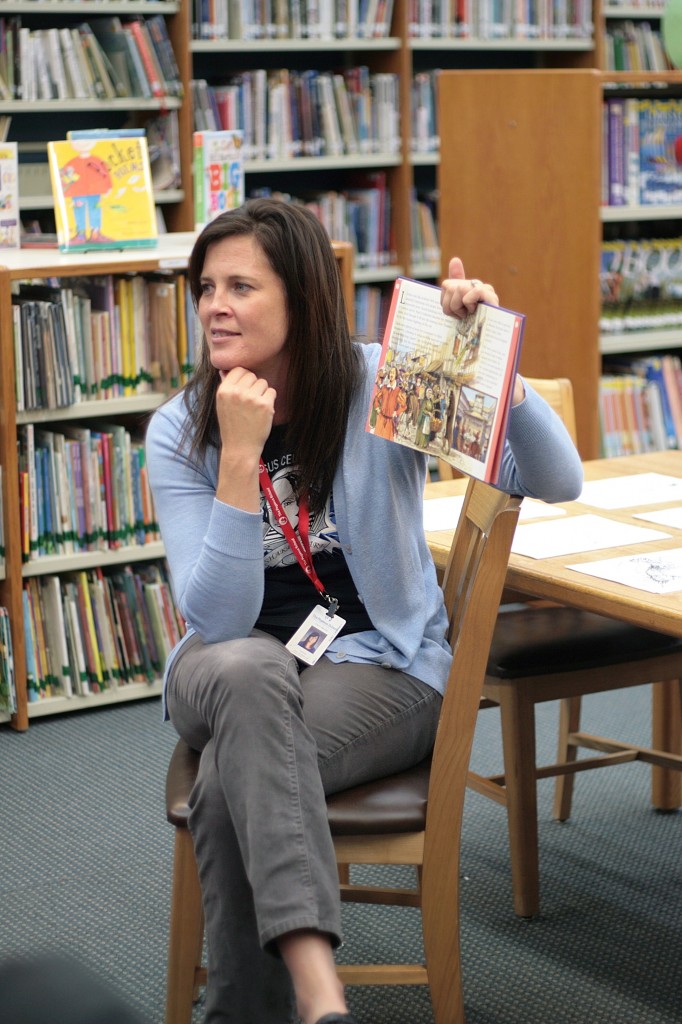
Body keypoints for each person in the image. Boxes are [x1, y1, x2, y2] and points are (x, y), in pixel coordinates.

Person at [145, 199, 584, 1024]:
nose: (215, 305)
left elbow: (557, 479)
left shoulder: (386, 382)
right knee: (249, 667)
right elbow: (218, 618)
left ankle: (262, 1008)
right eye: (206, 286)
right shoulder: (183, 429)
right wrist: (239, 460)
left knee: (232, 783)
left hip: (376, 668)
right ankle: (321, 999)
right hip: (226, 666)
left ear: (303, 296)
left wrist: (492, 358)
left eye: (241, 284)